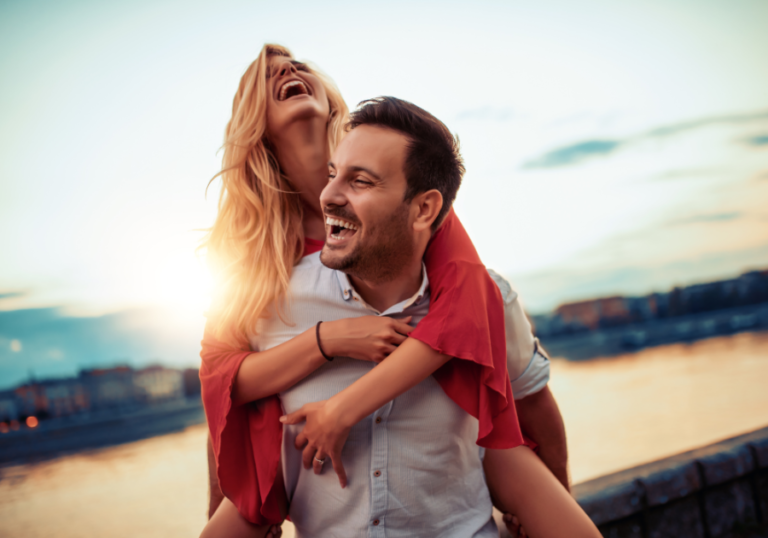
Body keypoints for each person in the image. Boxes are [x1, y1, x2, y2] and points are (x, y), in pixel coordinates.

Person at [199, 44, 567, 536]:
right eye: (267, 75)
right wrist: (329, 340)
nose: (287, 69)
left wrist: (343, 409)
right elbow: (223, 392)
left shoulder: (420, 220)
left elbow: (468, 314)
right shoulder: (259, 270)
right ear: (254, 122)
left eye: (297, 63)